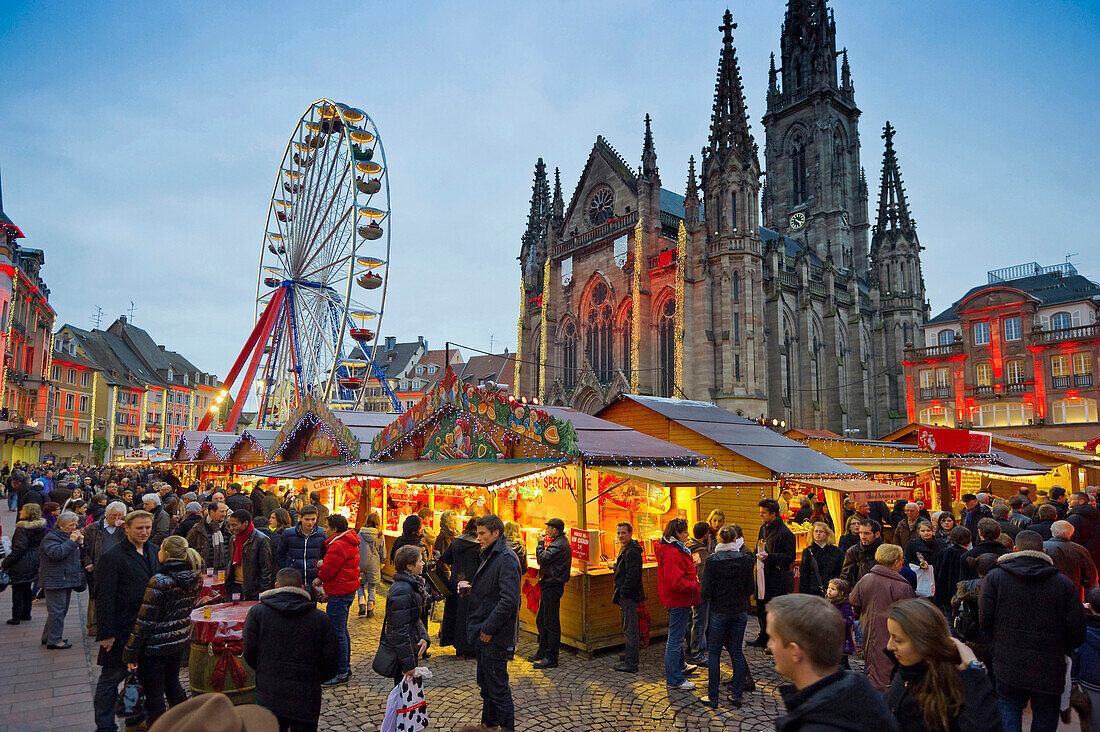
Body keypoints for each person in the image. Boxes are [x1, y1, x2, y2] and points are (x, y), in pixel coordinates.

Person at [980, 530, 1085, 731]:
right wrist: (1060, 648)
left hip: (1008, 660)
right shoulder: (1063, 583)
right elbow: (1077, 629)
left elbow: (986, 620)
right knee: (1045, 716)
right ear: (1043, 551)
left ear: (1015, 549)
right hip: (1049, 664)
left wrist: (1000, 641)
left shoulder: (995, 578)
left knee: (1009, 708)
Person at [768, 594, 899, 732]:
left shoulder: (818, 725)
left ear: (795, 651)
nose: (769, 645)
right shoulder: (860, 694)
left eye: (772, 638)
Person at [883, 598, 1001, 732]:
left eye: (898, 640)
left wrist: (974, 671)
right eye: (890, 636)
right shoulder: (905, 672)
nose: (889, 646)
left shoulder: (955, 689)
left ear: (924, 642)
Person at [244, 567, 339, 732]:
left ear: (276, 586)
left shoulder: (257, 613)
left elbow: (249, 652)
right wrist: (315, 678)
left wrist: (264, 671)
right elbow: (331, 659)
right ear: (302, 588)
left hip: (269, 693)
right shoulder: (320, 618)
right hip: (306, 697)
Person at [122, 535, 202, 724]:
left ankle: (159, 726)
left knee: (154, 692)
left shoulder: (160, 581)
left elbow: (145, 621)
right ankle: (184, 722)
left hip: (154, 646)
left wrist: (130, 653)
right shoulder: (194, 576)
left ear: (166, 553)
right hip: (178, 640)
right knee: (173, 684)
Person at [94, 511, 159, 732]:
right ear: (127, 528)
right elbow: (104, 597)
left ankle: (135, 720)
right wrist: (106, 633)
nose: (144, 532)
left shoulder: (154, 551)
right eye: (139, 528)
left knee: (139, 678)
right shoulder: (112, 557)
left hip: (147, 630)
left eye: (148, 528)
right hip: (121, 629)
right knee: (111, 679)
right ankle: (105, 726)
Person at [467, 514, 521, 732]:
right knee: (487, 686)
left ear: (496, 533)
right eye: (477, 533)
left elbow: (509, 601)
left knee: (497, 688)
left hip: (495, 634)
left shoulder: (506, 558)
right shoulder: (491, 555)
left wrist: (488, 628)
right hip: (485, 630)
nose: (478, 538)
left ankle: (507, 728)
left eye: (482, 534)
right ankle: (488, 726)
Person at [699, 523, 754, 708]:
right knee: (737, 652)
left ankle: (713, 697)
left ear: (719, 540)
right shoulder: (746, 560)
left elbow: (705, 590)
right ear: (735, 539)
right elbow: (750, 589)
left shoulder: (712, 561)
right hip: (739, 611)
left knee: (714, 653)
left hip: (719, 611)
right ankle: (736, 695)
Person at [850, 543, 917, 690]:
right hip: (893, 635)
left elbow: (854, 603)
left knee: (873, 668)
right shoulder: (902, 586)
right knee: (887, 673)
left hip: (869, 631)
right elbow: (910, 615)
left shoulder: (866, 579)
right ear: (896, 562)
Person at [315, 512, 360, 686]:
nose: (324, 530)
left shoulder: (338, 545)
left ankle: (341, 671)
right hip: (347, 590)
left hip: (339, 592)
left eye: (326, 526)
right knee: (342, 631)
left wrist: (319, 575)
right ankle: (345, 667)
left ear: (335, 529)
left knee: (337, 633)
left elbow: (329, 570)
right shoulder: (347, 541)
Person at [656, 517, 701, 690]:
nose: (687, 535)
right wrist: (694, 585)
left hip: (678, 598)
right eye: (685, 532)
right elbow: (674, 581)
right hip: (678, 599)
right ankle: (674, 678)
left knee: (678, 635)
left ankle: (680, 666)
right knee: (675, 638)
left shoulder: (674, 549)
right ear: (677, 533)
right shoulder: (672, 552)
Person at [750, 498, 796, 648]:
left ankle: (775, 640)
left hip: (777, 578)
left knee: (774, 609)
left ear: (773, 514)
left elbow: (790, 557)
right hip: (762, 573)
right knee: (761, 606)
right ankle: (763, 636)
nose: (760, 516)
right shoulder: (763, 528)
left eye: (763, 513)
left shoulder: (785, 533)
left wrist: (770, 557)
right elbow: (759, 546)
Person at [383, 544, 431, 686]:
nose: (423, 564)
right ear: (410, 566)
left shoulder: (412, 585)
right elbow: (400, 631)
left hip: (411, 648)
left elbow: (414, 618)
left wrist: (423, 636)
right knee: (405, 699)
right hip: (405, 655)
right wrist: (409, 665)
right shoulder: (402, 590)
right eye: (420, 560)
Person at [38, 510, 86, 648]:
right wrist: (72, 541)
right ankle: (55, 640)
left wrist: (80, 544)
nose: (74, 527)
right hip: (55, 579)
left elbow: (75, 554)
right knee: (57, 611)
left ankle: (48, 636)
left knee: (60, 610)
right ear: (62, 525)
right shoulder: (51, 538)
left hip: (65, 578)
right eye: (71, 525)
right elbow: (56, 553)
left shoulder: (66, 536)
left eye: (75, 524)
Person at [531, 517, 571, 669]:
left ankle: (552, 657)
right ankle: (543, 651)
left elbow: (542, 559)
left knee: (551, 622)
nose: (546, 530)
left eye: (548, 528)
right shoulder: (558, 542)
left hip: (553, 585)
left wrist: (540, 543)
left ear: (555, 530)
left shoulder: (560, 544)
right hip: (549, 584)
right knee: (542, 620)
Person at [438, 518, 480, 658]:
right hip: (473, 585)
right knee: (470, 616)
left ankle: (459, 648)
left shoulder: (457, 541)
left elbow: (446, 558)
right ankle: (470, 647)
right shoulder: (479, 545)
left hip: (456, 582)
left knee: (456, 615)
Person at [3, 502, 46, 625]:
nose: (20, 511)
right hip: (35, 558)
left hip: (23, 560)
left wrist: (6, 563)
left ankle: (16, 616)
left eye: (22, 510)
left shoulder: (22, 528)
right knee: (27, 587)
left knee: (17, 588)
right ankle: (26, 613)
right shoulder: (40, 527)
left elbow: (19, 548)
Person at [612, 522, 643, 674]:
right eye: (618, 533)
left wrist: (623, 591)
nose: (620, 536)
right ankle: (629, 655)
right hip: (627, 594)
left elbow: (633, 576)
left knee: (630, 629)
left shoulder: (632, 552)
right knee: (628, 627)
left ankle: (631, 663)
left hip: (629, 595)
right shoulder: (627, 549)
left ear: (631, 533)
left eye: (623, 533)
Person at [225, 509, 276, 601]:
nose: (231, 528)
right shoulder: (233, 539)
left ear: (245, 523)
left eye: (234, 525)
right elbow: (230, 562)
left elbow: (266, 569)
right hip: (235, 587)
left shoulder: (261, 539)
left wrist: (262, 591)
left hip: (253, 590)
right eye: (230, 525)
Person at [1045, 520, 1099, 600]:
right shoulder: (1080, 550)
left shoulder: (1043, 547)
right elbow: (1090, 576)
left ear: (1051, 530)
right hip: (1074, 591)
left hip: (1048, 590)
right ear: (1071, 533)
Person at [276, 504, 326, 585]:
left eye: (313, 519)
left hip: (314, 579)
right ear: (300, 517)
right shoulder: (288, 533)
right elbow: (281, 554)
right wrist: (287, 571)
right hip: (294, 577)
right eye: (307, 519)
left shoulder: (322, 533)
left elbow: (326, 557)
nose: (310, 522)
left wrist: (320, 577)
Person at [685, 521, 712, 663]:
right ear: (705, 535)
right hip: (699, 590)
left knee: (691, 619)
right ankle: (697, 653)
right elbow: (702, 574)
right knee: (699, 621)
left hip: (689, 589)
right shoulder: (700, 550)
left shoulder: (687, 546)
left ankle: (691, 649)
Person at [798, 521, 843, 596]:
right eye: (816, 531)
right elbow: (804, 575)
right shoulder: (808, 552)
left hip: (832, 591)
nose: (818, 533)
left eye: (821, 531)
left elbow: (840, 571)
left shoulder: (837, 551)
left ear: (827, 534)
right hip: (813, 591)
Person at [187, 501, 231, 571]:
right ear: (212, 512)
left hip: (226, 573)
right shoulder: (197, 530)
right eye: (221, 512)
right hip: (205, 573)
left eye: (225, 511)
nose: (224, 514)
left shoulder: (230, 528)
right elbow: (189, 552)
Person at [839, 519, 884, 587]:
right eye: (860, 533)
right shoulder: (852, 552)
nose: (862, 537)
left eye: (867, 533)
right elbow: (846, 577)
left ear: (877, 534)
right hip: (859, 591)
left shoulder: (885, 551)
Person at [357, 512, 384, 617]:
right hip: (373, 564)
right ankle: (370, 606)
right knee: (372, 585)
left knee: (360, 584)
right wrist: (382, 562)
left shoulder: (360, 534)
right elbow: (383, 552)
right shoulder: (380, 536)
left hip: (360, 562)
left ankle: (362, 601)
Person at [826, 579, 855, 669]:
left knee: (842, 662)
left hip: (842, 638)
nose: (829, 590)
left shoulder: (845, 604)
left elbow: (849, 619)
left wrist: (837, 622)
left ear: (841, 592)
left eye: (833, 589)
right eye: (829, 588)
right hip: (830, 636)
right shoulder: (827, 601)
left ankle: (847, 677)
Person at [1069, 491, 1100, 566]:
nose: (1068, 501)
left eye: (1072, 499)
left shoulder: (1074, 519)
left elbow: (1072, 539)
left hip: (1081, 555)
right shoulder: (1096, 515)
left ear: (1081, 501)